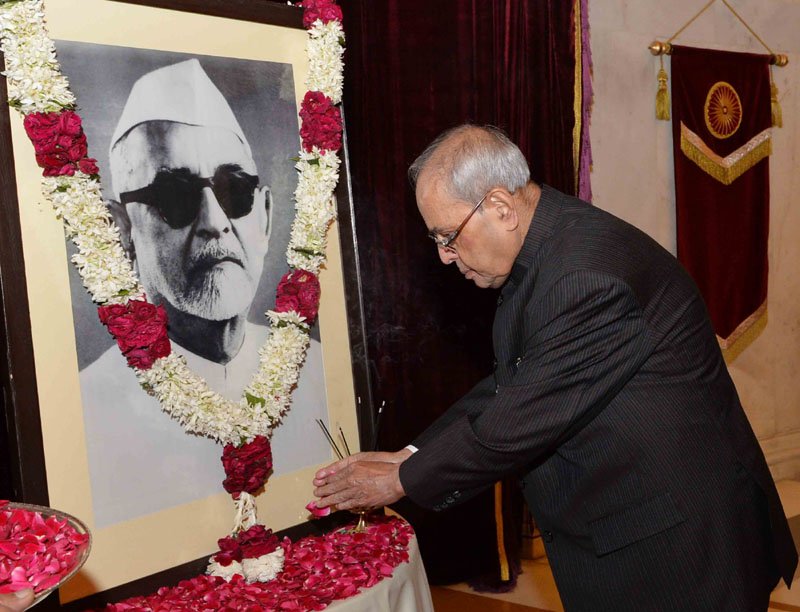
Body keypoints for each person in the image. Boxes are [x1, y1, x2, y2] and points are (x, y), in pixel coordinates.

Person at [313, 124, 798, 610]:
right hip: (638, 523)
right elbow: (516, 382)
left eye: (448, 236)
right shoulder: (548, 239)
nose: (443, 256)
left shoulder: (585, 276)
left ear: (500, 208)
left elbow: (517, 420)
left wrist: (401, 480)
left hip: (680, 544)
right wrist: (411, 454)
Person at [79, 59, 328, 527]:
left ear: (268, 216)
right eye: (175, 195)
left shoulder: (319, 375)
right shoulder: (86, 413)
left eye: (234, 191)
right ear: (121, 231)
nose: (215, 222)